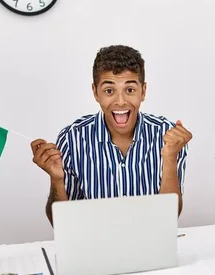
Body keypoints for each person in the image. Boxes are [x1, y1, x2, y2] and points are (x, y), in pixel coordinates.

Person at [30, 45, 192, 225]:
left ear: (143, 91)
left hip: (150, 245)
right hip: (93, 245)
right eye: (109, 91)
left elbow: (168, 219)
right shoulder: (72, 138)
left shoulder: (167, 135)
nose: (120, 102)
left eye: (129, 90)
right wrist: (57, 180)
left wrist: (169, 156)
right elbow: (61, 223)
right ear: (95, 92)